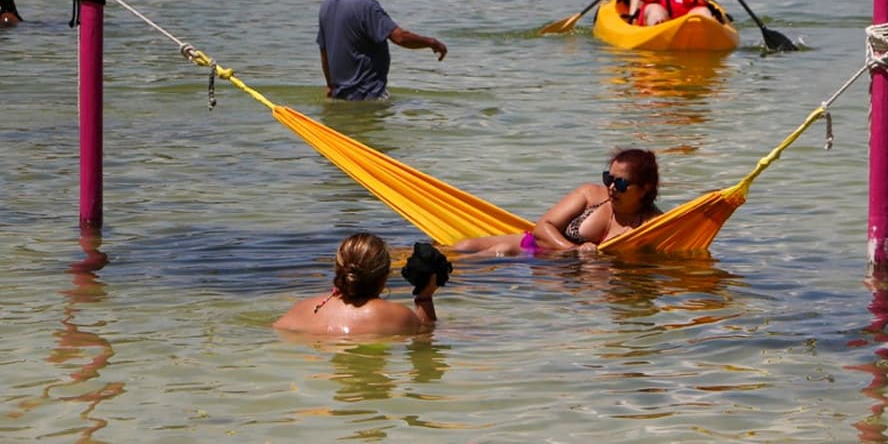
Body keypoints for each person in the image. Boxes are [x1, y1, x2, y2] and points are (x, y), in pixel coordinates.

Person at [454, 148, 663, 256]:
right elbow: (542, 227)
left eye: (621, 183)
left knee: (501, 252)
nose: (611, 187)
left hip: (557, 272)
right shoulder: (591, 195)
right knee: (464, 246)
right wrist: (573, 250)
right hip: (536, 246)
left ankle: (445, 282)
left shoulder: (653, 226)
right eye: (608, 179)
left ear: (645, 188)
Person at [318, 0, 447, 100]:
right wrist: (432, 43)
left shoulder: (326, 5)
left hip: (340, 95)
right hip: (369, 95)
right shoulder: (366, 5)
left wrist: (330, 85)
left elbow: (324, 52)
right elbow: (400, 37)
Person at [274, 233, 449, 335]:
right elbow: (426, 340)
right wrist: (424, 297)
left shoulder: (301, 309)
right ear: (385, 275)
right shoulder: (400, 316)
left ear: (338, 269)